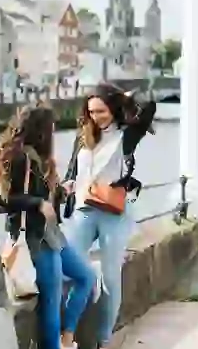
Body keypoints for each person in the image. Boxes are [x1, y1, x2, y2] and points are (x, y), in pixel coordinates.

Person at [0, 103, 97, 349]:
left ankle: (67, 336)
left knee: (86, 277)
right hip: (35, 240)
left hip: (52, 236)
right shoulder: (21, 159)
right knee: (51, 301)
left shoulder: (39, 159)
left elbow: (43, 195)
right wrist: (37, 203)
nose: (54, 132)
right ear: (42, 130)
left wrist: (60, 191)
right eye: (51, 128)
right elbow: (2, 199)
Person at [61, 83, 156, 348]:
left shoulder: (127, 135)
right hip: (83, 208)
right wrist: (68, 183)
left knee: (111, 277)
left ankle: (104, 338)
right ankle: (68, 333)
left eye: (101, 111)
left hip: (113, 212)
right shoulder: (83, 136)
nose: (96, 117)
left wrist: (125, 97)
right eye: (91, 112)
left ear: (113, 109)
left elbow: (150, 104)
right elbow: (72, 170)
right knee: (69, 270)